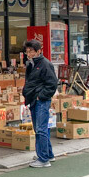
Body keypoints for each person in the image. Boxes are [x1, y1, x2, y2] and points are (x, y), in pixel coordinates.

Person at [21, 39, 58, 168]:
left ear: (38, 51)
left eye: (31, 51)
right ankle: (48, 154)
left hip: (40, 100)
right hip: (34, 99)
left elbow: (52, 84)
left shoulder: (45, 64)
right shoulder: (31, 64)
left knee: (40, 129)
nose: (28, 54)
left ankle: (43, 159)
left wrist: (39, 96)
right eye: (27, 51)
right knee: (41, 129)